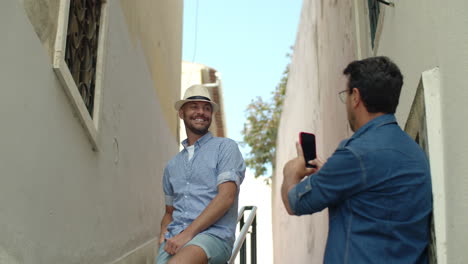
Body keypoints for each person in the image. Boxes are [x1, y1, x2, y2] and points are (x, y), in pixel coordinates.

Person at [281, 56, 433, 263]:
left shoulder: (355, 155)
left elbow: (294, 203)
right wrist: (332, 173)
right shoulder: (412, 151)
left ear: (355, 96)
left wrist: (290, 173)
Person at [156, 85, 246, 264]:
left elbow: (226, 197)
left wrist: (187, 235)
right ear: (181, 113)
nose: (201, 112)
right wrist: (163, 237)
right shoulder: (171, 166)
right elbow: (169, 212)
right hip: (173, 240)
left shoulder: (225, 147)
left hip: (212, 236)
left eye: (206, 108)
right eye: (194, 107)